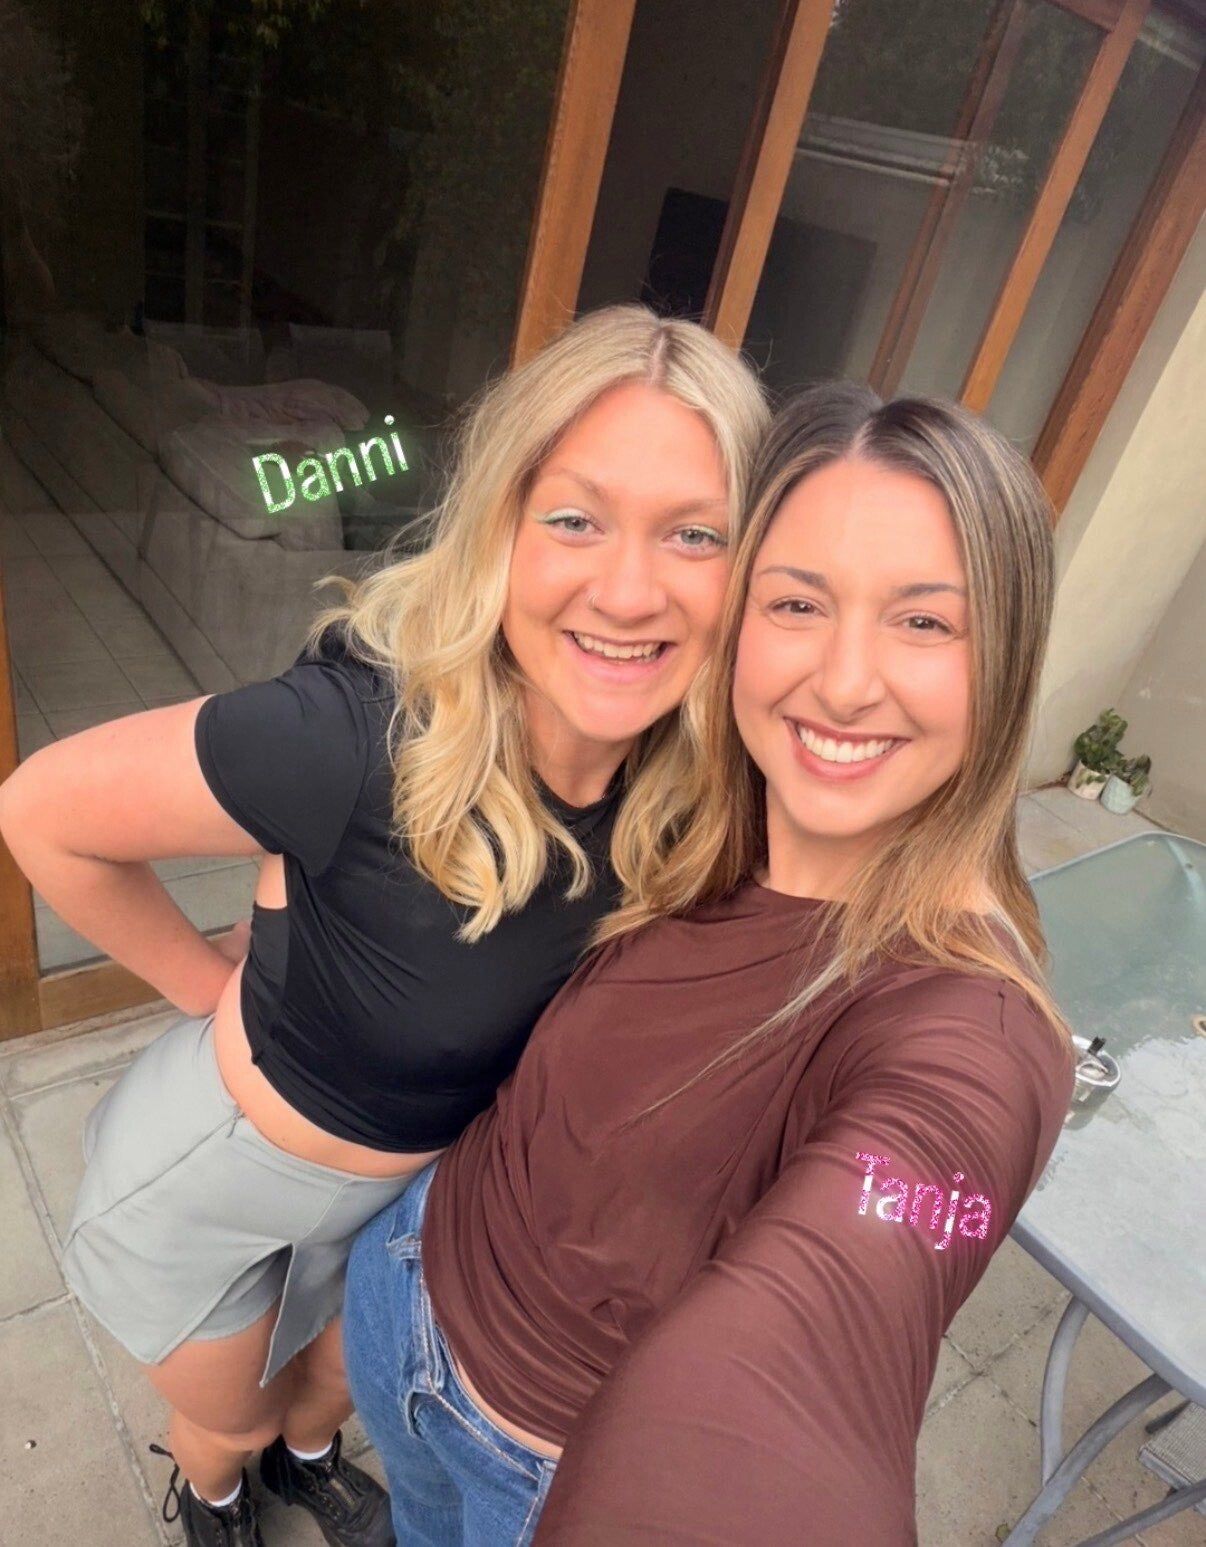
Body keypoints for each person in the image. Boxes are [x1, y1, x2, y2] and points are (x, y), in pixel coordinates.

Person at [0, 303, 769, 1547]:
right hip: (220, 1179)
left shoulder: (685, 787)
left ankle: (310, 1462)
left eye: (695, 532)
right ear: (499, 523)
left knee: (338, 1377)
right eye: (575, 517)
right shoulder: (356, 732)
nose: (630, 589)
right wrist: (201, 982)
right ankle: (215, 1495)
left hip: (409, 1195)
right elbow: (41, 811)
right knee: (231, 1417)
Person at [342, 382, 1079, 1545]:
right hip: (405, 1291)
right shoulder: (693, 814)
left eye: (925, 622)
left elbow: (821, 1327)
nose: (844, 680)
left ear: (1009, 661)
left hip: (537, 1471)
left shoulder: (972, 1035)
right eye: (797, 603)